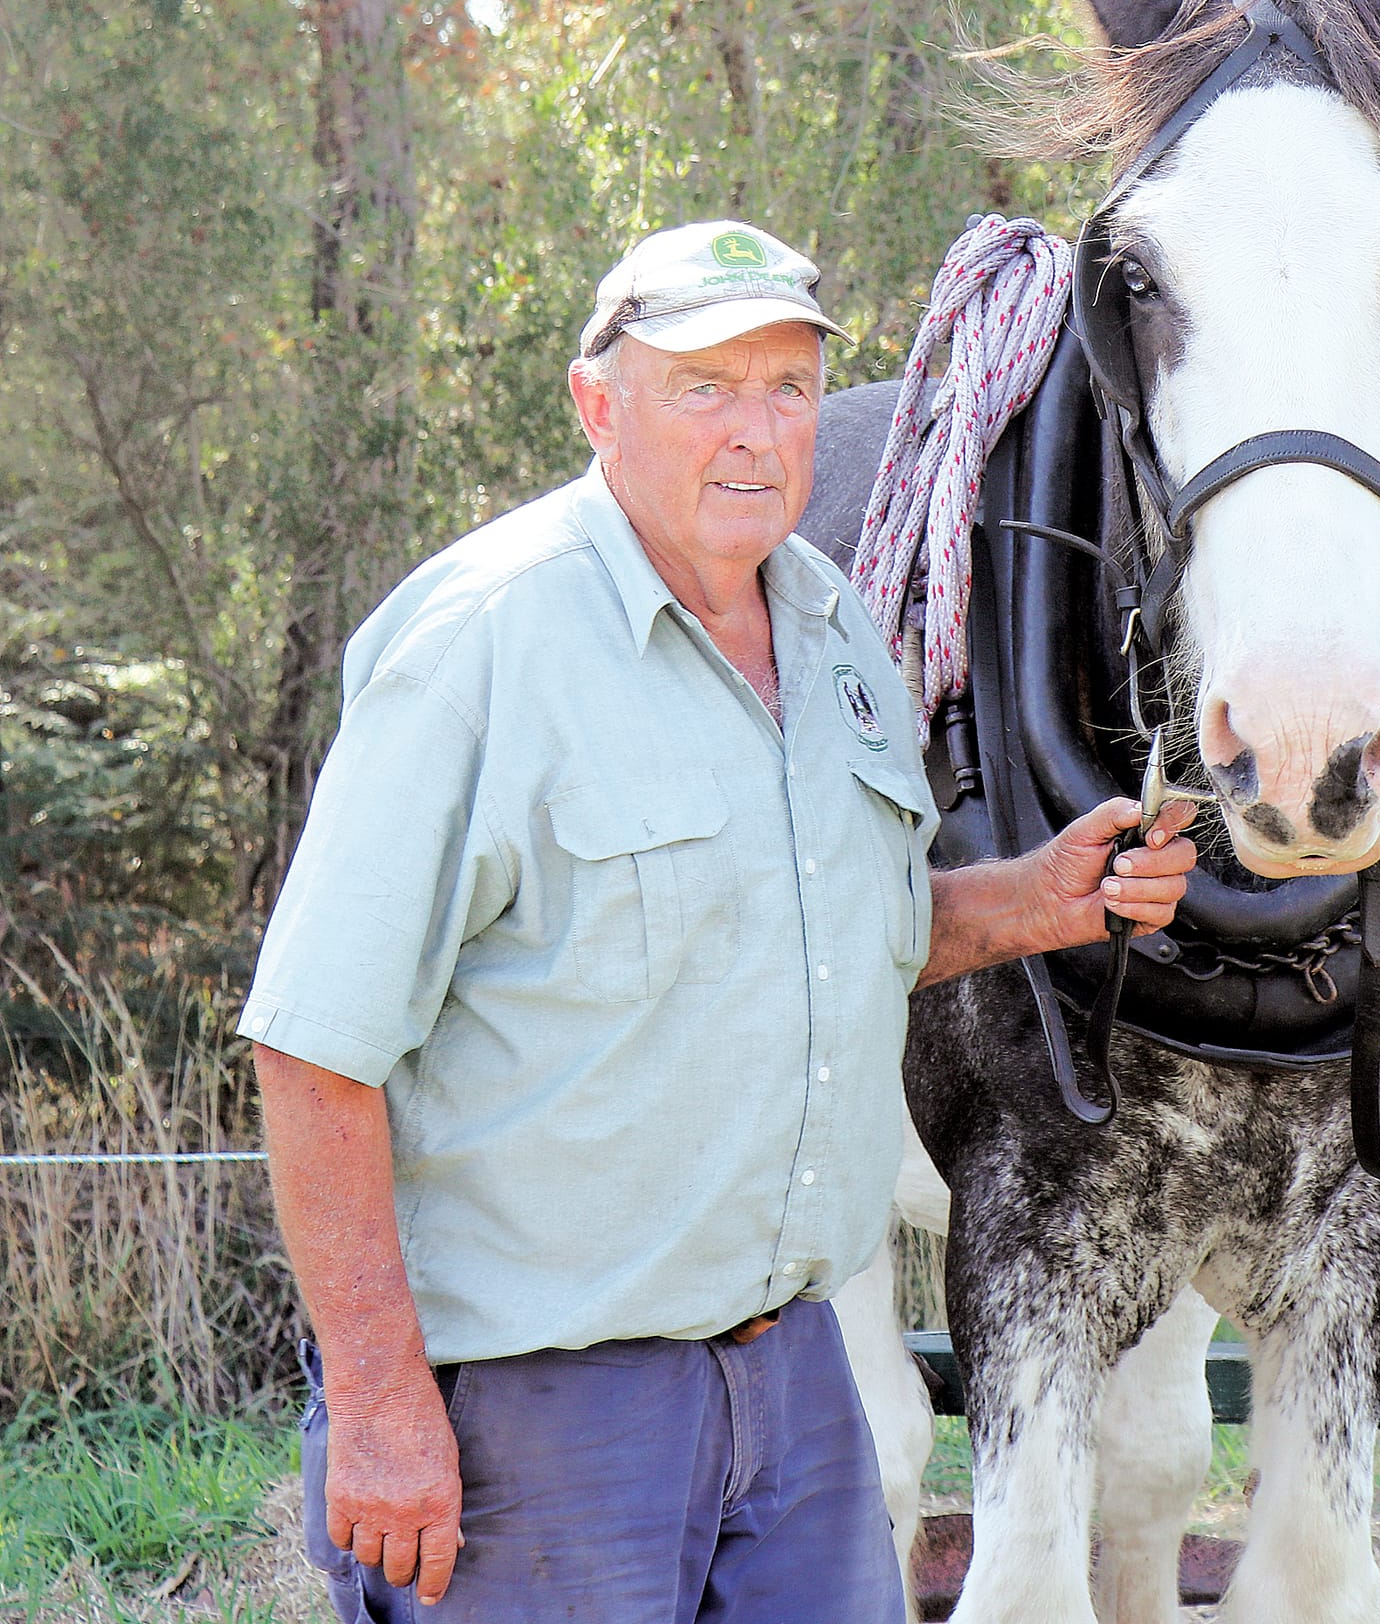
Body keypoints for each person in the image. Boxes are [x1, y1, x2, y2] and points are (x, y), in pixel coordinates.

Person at [239, 219, 1196, 1624]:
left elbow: (837, 929)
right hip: (541, 1423)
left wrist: (1042, 898)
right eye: (703, 388)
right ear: (597, 403)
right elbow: (314, 1050)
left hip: (794, 1394)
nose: (755, 434)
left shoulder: (835, 632)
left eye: (788, 389)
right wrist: (381, 1404)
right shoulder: (481, 647)